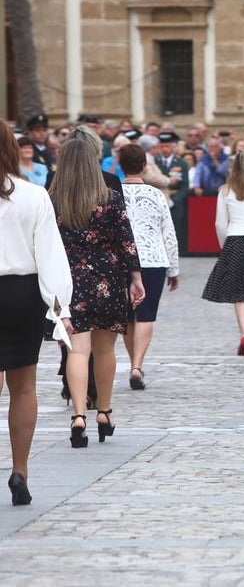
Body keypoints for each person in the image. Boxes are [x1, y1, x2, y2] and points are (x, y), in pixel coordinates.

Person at [51, 135, 146, 448]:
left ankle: (78, 415)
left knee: (78, 351)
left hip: (68, 280)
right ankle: (104, 411)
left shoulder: (52, 199)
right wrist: (136, 278)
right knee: (105, 350)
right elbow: (126, 240)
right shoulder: (109, 197)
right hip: (107, 277)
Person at [0, 121, 73, 505]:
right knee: (23, 386)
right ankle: (20, 471)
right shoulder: (32, 194)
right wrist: (60, 306)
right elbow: (50, 255)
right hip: (21, 294)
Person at [119, 145, 180, 391]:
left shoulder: (111, 194)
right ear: (144, 165)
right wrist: (174, 269)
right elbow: (169, 233)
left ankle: (133, 362)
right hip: (153, 259)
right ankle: (137, 365)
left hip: (122, 260)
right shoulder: (156, 195)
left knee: (127, 315)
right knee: (146, 314)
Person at [202, 150, 244, 355]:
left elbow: (220, 223)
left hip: (234, 240)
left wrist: (225, 246)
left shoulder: (225, 191)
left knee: (239, 294)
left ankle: (243, 334)